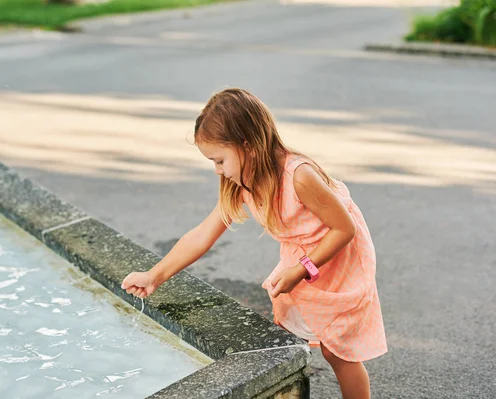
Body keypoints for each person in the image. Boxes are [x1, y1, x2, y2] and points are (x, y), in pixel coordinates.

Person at [121, 88, 387, 399]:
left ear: (247, 145)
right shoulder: (242, 180)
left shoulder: (299, 176)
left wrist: (301, 270)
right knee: (286, 337)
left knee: (337, 351)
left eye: (220, 160)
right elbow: (202, 234)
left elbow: (344, 229)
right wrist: (154, 276)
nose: (217, 170)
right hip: (304, 255)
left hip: (336, 256)